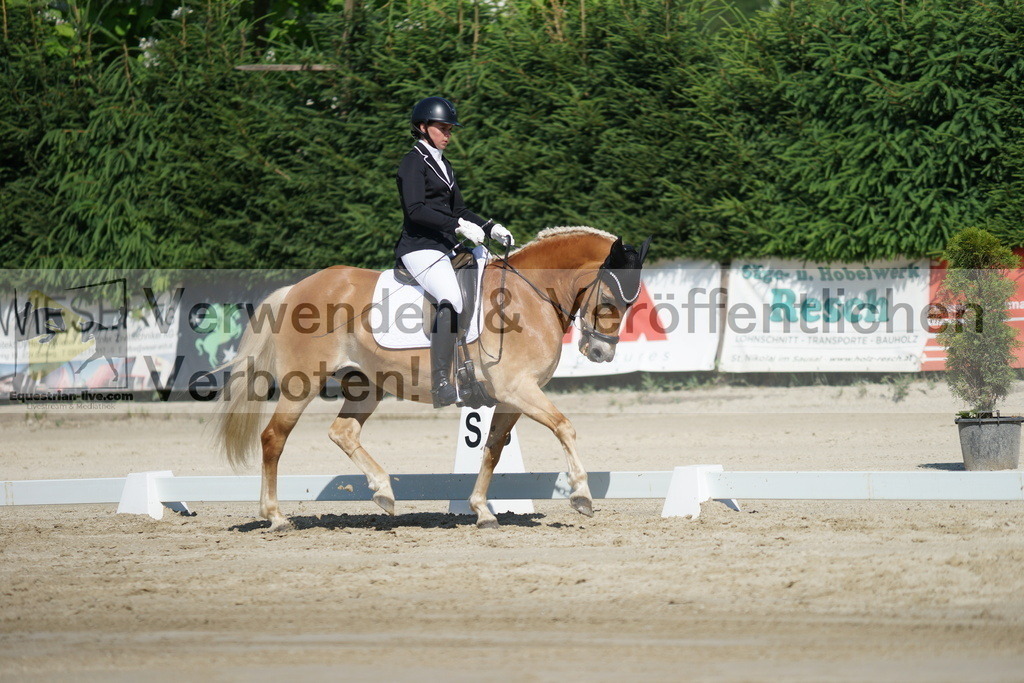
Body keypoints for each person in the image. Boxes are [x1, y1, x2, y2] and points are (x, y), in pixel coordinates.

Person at [395, 96, 514, 408]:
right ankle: (441, 382)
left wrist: (490, 227)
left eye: (450, 129)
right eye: (442, 128)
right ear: (423, 127)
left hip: (445, 246)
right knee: (452, 297)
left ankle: (471, 370)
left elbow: (459, 209)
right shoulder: (412, 163)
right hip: (419, 247)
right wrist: (457, 227)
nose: (448, 134)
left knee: (486, 269)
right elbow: (416, 210)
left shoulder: (443, 164)